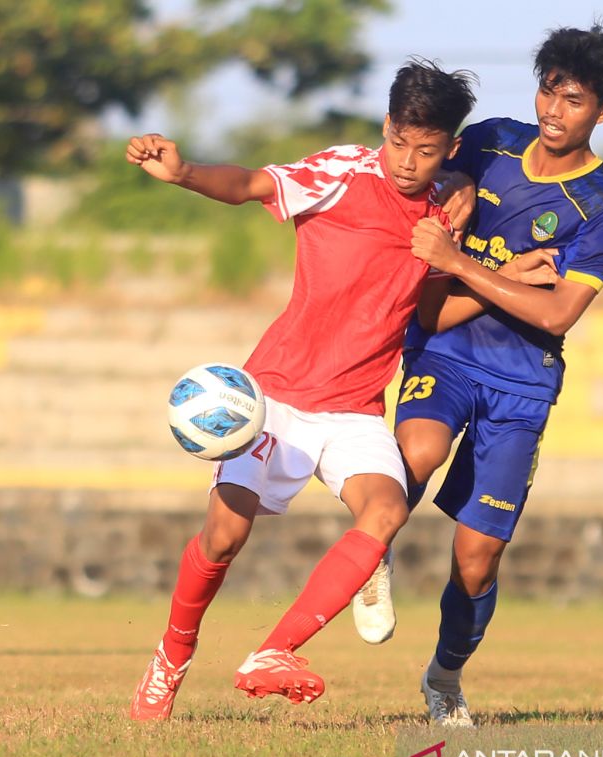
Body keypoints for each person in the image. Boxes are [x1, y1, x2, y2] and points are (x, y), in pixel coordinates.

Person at [123, 58, 478, 721]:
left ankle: (272, 653)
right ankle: (170, 660)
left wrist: (496, 279)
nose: (407, 161)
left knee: (387, 511)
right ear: (385, 127)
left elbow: (429, 311)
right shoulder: (341, 172)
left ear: (449, 149)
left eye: (426, 150)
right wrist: (185, 173)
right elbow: (253, 183)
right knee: (223, 539)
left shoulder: (443, 212)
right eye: (399, 141)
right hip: (278, 398)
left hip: (355, 407)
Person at [351, 25, 603, 727]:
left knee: (476, 560)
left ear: (602, 111)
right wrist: (452, 190)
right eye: (547, 88)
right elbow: (433, 179)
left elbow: (559, 313)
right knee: (414, 453)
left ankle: (445, 677)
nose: (553, 109)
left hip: (523, 383)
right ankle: (371, 551)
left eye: (572, 99)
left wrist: (464, 264)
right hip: (445, 352)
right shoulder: (490, 139)